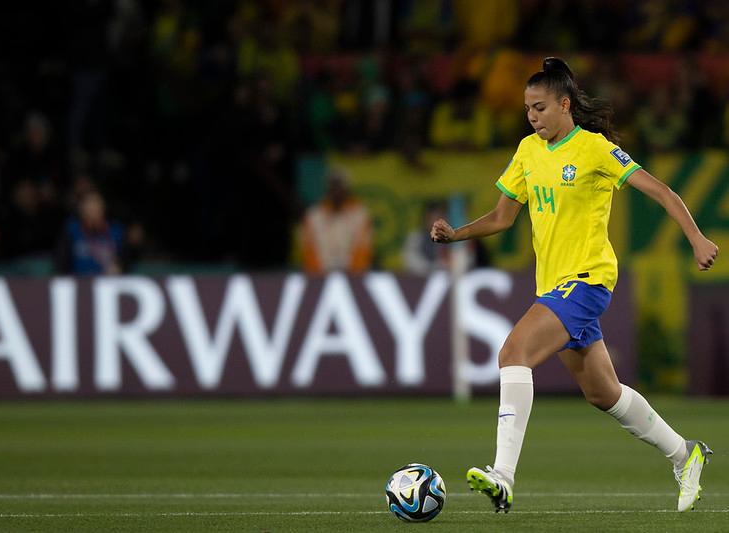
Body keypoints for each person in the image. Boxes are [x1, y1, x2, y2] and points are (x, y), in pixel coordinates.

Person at [431, 57, 718, 514]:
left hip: (587, 280)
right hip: (553, 286)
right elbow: (504, 217)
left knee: (512, 354)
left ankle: (502, 475)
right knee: (603, 393)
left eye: (540, 108)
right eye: (528, 109)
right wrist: (457, 234)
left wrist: (697, 236)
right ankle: (686, 454)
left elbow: (662, 190)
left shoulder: (595, 150)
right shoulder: (527, 151)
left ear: (564, 105)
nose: (532, 117)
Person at [299, 168, 372, 274]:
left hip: (352, 275)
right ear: (327, 189)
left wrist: (354, 276)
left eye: (339, 186)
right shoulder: (314, 215)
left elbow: (363, 249)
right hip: (320, 275)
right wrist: (317, 277)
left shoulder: (360, 215)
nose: (336, 191)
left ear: (347, 189)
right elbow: (309, 249)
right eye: (333, 187)